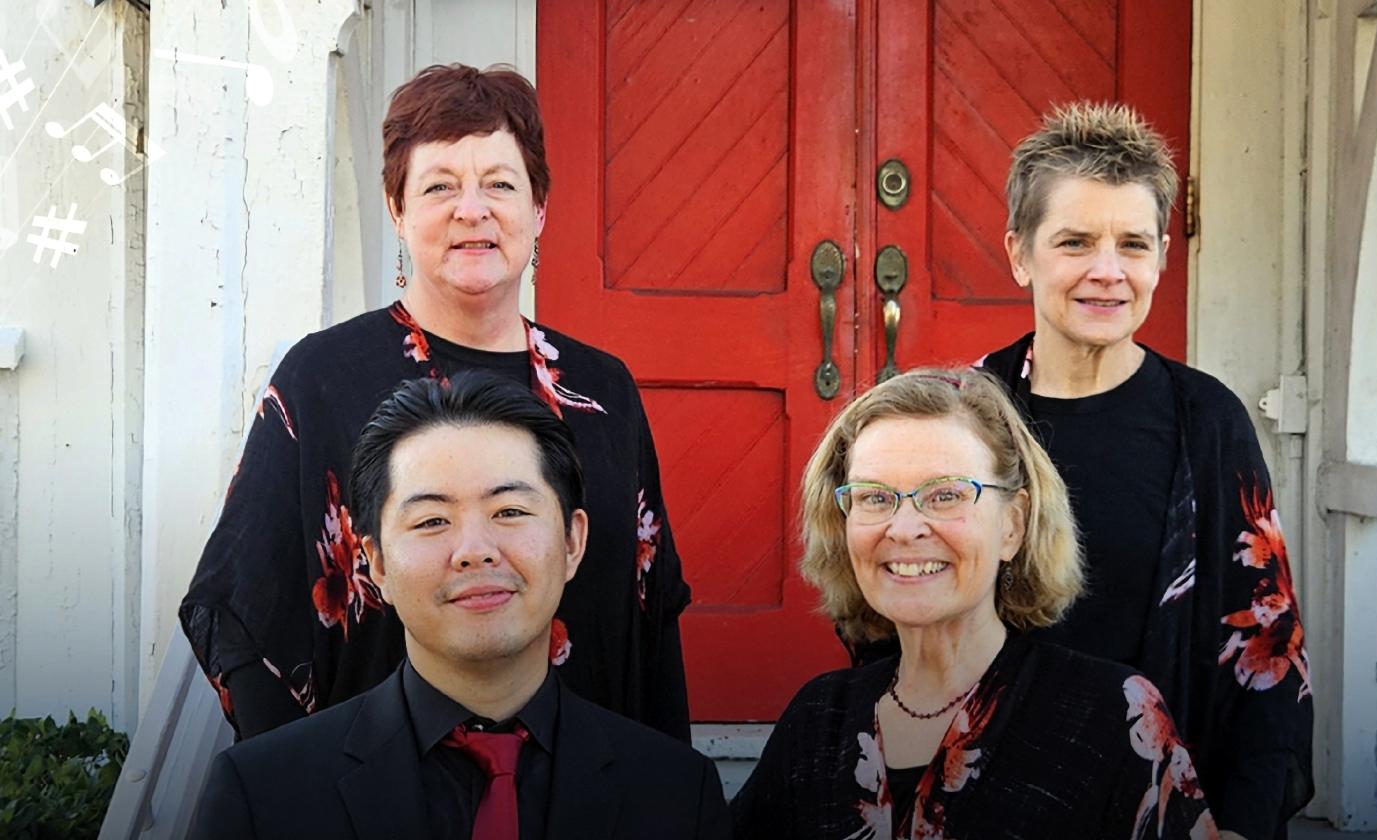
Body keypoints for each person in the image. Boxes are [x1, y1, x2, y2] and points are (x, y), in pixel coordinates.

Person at [179, 64, 692, 742]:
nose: (471, 210)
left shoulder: (604, 393)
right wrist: (294, 786)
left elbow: (651, 615)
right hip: (371, 794)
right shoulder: (322, 380)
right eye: (440, 186)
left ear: (539, 208)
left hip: (586, 792)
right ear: (398, 208)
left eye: (500, 185)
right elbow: (240, 604)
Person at [191, 371, 731, 840]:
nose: (475, 551)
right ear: (375, 563)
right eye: (431, 521)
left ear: (572, 542)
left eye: (510, 511)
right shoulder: (263, 795)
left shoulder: (678, 795)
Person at [978, 102, 1312, 838]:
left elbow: (1269, 647)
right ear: (1019, 252)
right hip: (987, 798)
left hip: (1167, 807)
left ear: (1164, 254)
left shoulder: (1209, 422)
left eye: (1133, 243)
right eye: (1074, 241)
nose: (1108, 271)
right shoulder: (965, 416)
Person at [731, 369, 1217, 839]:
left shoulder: (1113, 718)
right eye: (875, 497)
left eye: (945, 495)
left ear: (1013, 525)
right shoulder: (819, 720)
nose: (903, 528)